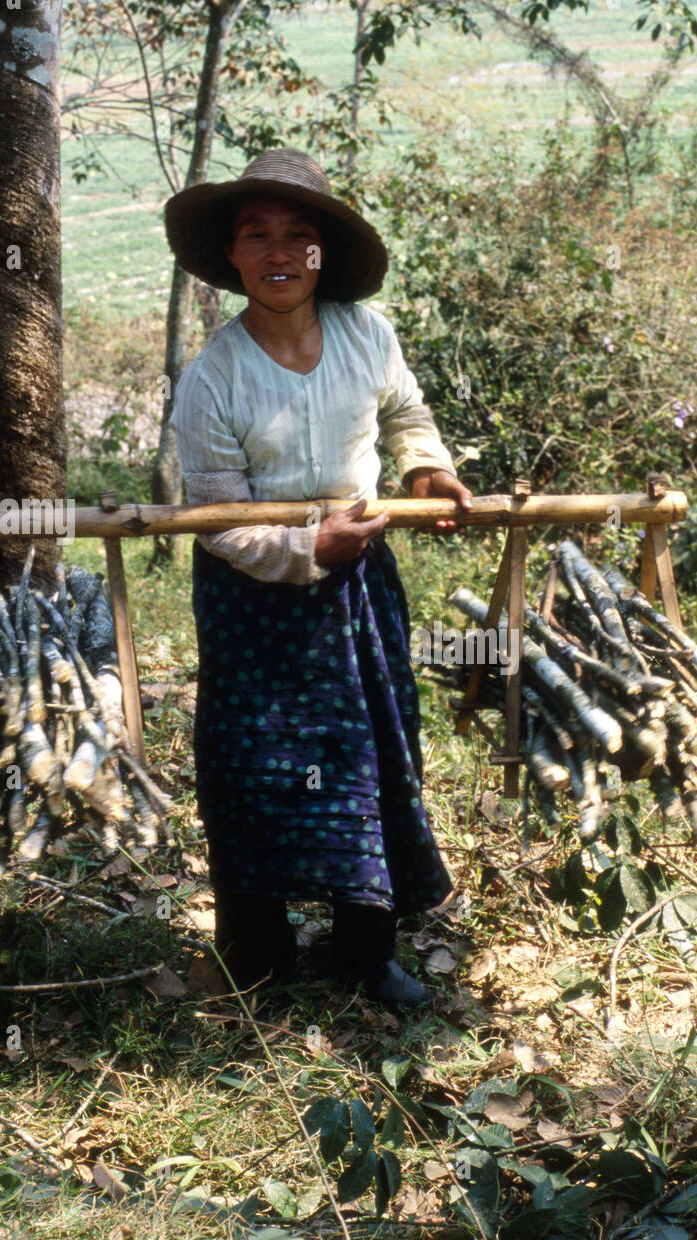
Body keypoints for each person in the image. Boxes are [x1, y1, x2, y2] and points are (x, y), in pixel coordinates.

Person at [164, 147, 472, 1009]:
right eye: (256, 235)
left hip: (356, 590)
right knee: (255, 764)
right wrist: (303, 552)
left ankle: (366, 953)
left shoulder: (367, 335)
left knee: (363, 752)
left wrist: (425, 472)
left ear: (321, 253)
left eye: (296, 236)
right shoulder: (214, 376)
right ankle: (257, 958)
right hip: (251, 600)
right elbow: (219, 518)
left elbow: (405, 412)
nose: (277, 253)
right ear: (231, 255)